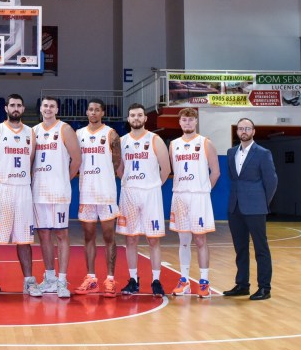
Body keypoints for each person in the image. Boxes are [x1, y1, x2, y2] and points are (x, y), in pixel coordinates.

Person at [0, 94, 40, 299]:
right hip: (0, 188)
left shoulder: (30, 133)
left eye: (19, 105)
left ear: (23, 109)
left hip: (22, 188)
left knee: (24, 239)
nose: (15, 108)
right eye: (12, 105)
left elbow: (30, 161)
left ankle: (29, 282)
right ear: (6, 108)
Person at [116, 102, 171, 297]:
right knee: (130, 239)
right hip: (129, 193)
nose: (136, 118)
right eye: (133, 115)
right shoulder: (122, 141)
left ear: (145, 118)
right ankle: (133, 280)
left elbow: (166, 169)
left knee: (153, 239)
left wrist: (153, 186)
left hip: (150, 194)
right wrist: (131, 183)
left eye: (140, 115)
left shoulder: (155, 139)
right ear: (128, 118)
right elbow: (119, 169)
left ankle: (156, 281)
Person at [223, 118, 278, 301]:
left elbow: (271, 181)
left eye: (247, 128)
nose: (244, 131)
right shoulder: (231, 152)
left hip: (256, 207)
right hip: (235, 207)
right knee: (240, 248)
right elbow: (234, 179)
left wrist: (262, 202)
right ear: (237, 131)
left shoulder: (263, 153)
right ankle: (242, 285)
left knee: (261, 249)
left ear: (253, 131)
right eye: (241, 128)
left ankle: (264, 288)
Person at [32, 97, 81, 298]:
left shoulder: (65, 129)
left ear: (57, 109)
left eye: (52, 106)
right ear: (40, 109)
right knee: (43, 234)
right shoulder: (33, 131)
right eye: (45, 106)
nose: (48, 109)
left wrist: (64, 179)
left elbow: (76, 159)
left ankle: (62, 280)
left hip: (58, 192)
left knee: (61, 234)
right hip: (38, 191)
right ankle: (50, 278)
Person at [169, 108, 220, 298]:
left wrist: (204, 191)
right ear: (179, 122)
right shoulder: (173, 144)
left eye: (191, 120)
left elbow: (216, 172)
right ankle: (184, 281)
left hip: (199, 197)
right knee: (183, 241)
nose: (188, 123)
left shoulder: (206, 143)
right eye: (184, 120)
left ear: (196, 121)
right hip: (180, 196)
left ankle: (204, 282)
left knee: (200, 240)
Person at [75, 99, 121, 296]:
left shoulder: (111, 134)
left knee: (109, 237)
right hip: (86, 193)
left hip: (106, 193)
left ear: (102, 113)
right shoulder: (79, 134)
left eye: (97, 110)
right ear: (87, 112)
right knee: (88, 237)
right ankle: (91, 278)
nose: (93, 112)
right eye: (90, 109)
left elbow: (117, 161)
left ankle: (110, 279)